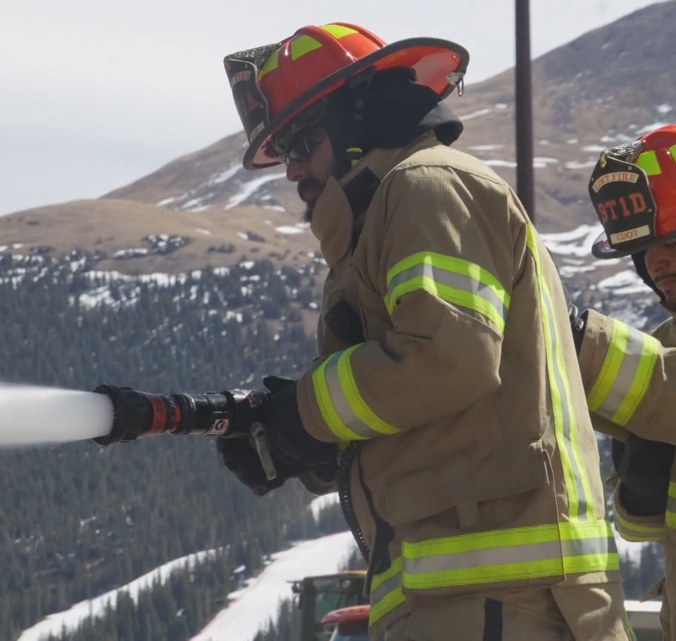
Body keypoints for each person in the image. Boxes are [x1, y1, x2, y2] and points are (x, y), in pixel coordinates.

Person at [214, 22, 629, 640]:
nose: (292, 167)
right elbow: (446, 417)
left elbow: (447, 360)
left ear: (359, 120)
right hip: (465, 601)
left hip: (503, 602)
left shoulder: (426, 186)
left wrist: (303, 413)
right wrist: (306, 443)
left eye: (303, 139)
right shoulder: (377, 224)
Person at [572, 124, 676, 640]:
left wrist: (581, 347)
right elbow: (640, 527)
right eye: (644, 251)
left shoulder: (655, 364)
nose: (658, 263)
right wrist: (642, 475)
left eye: (672, 241)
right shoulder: (664, 343)